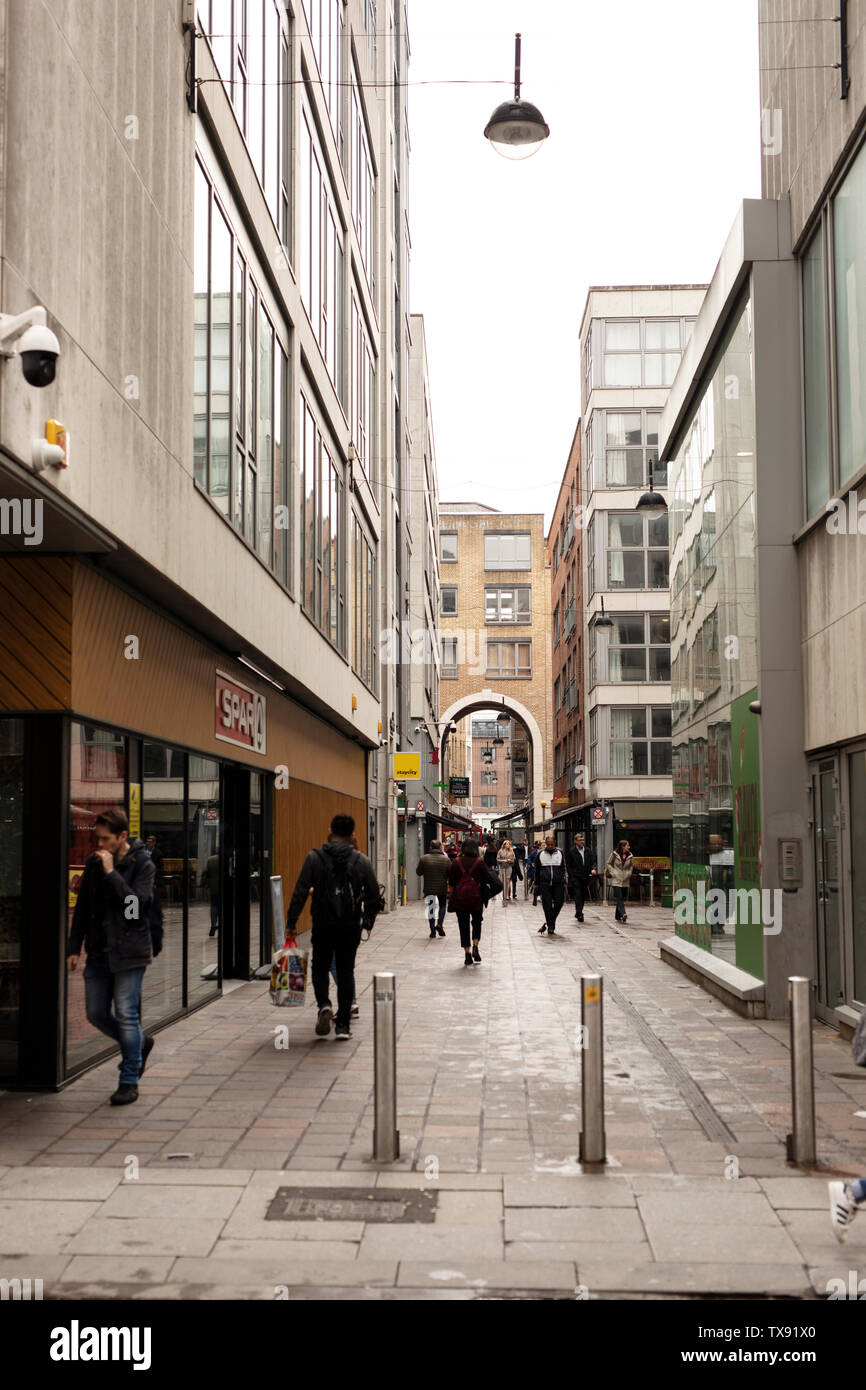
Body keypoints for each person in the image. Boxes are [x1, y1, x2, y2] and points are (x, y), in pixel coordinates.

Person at [66, 809, 156, 1105]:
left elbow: (133, 909)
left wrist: (111, 873)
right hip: (98, 953)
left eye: (106, 839)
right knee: (96, 1013)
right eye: (98, 839)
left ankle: (129, 1080)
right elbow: (82, 908)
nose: (100, 845)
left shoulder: (143, 864)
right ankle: (140, 1044)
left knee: (128, 1014)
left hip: (130, 953)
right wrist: (72, 947)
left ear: (122, 837)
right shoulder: (94, 864)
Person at [285, 813, 380, 1041]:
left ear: (331, 831)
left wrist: (291, 923)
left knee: (320, 967)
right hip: (349, 926)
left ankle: (324, 1005)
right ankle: (343, 1026)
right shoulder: (361, 861)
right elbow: (374, 896)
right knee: (346, 971)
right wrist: (367, 921)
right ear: (353, 834)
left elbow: (299, 891)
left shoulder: (314, 858)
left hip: (323, 924)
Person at [447, 838, 496, 966]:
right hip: (476, 897)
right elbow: (487, 879)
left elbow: (451, 882)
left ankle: (467, 954)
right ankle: (475, 946)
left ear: (462, 848)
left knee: (463, 926)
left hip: (461, 898)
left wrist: (453, 893)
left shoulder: (456, 862)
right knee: (476, 922)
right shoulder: (479, 862)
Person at [416, 839, 450, 938]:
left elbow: (418, 872)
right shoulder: (446, 859)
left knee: (431, 907)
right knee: (443, 905)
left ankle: (432, 931)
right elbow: (450, 873)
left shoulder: (424, 858)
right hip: (442, 887)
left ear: (430, 847)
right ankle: (439, 924)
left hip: (429, 887)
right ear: (440, 848)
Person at [536, 834, 566, 935]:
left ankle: (550, 920)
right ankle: (551, 926)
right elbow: (537, 869)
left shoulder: (560, 853)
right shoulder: (540, 854)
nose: (549, 846)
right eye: (548, 844)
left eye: (551, 845)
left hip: (558, 883)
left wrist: (564, 878)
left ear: (555, 843)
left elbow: (563, 867)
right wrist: (536, 883)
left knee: (559, 903)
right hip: (545, 883)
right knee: (547, 905)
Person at [566, 832, 598, 923]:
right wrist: (571, 876)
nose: (582, 842)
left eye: (583, 840)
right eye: (580, 840)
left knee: (583, 895)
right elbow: (569, 865)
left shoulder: (588, 850)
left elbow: (593, 861)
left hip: (585, 876)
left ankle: (578, 911)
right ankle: (579, 913)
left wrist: (593, 868)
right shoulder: (572, 852)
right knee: (578, 894)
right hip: (576, 877)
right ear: (575, 841)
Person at [605, 840, 635, 922]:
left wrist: (629, 873)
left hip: (625, 879)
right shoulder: (614, 854)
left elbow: (631, 866)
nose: (629, 847)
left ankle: (618, 916)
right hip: (616, 879)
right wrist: (613, 872)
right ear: (623, 846)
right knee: (619, 897)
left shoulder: (630, 856)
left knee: (622, 898)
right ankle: (623, 913)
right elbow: (608, 863)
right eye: (627, 845)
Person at [201, 851, 220, 936]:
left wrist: (203, 884)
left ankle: (213, 924)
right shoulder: (228, 859)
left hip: (214, 887)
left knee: (214, 905)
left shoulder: (210, 859)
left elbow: (205, 873)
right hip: (226, 887)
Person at [497, 839, 515, 904]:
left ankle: (507, 895)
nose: (508, 845)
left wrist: (510, 860)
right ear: (504, 845)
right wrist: (503, 860)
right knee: (502, 881)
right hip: (502, 868)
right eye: (507, 844)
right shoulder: (500, 851)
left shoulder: (511, 851)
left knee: (507, 881)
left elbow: (513, 860)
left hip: (508, 867)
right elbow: (497, 859)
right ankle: (504, 893)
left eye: (509, 844)